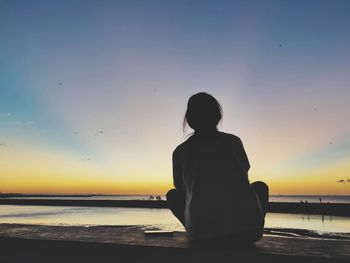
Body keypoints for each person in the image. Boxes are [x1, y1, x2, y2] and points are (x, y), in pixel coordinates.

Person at [166, 92, 269, 243]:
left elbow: (181, 189)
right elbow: (243, 173)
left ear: (189, 120)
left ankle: (194, 228)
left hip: (204, 237)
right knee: (260, 187)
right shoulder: (234, 142)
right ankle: (250, 223)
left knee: (172, 195)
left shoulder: (180, 151)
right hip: (249, 233)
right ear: (217, 116)